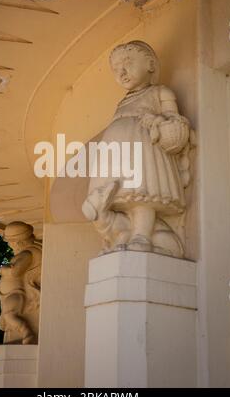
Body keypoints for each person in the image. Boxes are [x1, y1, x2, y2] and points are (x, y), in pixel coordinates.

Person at [82, 40, 193, 254]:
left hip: (144, 153)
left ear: (150, 64)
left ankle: (142, 235)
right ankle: (119, 237)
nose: (121, 72)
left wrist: (158, 122)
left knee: (142, 196)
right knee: (114, 198)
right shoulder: (122, 102)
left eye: (127, 63)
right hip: (116, 155)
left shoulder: (161, 92)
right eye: (115, 69)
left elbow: (175, 124)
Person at [0, 222, 41, 344]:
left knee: (9, 315)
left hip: (16, 294)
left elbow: (15, 272)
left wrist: (3, 269)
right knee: (8, 315)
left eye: (10, 242)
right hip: (8, 295)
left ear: (18, 242)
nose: (9, 245)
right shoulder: (22, 254)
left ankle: (27, 333)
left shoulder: (26, 254)